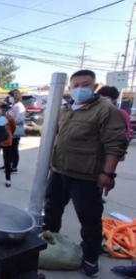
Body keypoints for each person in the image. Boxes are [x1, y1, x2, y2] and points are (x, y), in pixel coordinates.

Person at [43, 70, 128, 277]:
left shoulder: (105, 111)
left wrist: (108, 174)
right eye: (76, 86)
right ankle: (49, 243)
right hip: (59, 171)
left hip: (87, 176)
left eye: (85, 84)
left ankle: (90, 257)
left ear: (94, 86)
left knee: (89, 219)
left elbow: (115, 145)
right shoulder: (65, 110)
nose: (80, 89)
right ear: (70, 88)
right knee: (52, 210)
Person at [6, 89, 26, 173]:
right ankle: (8, 164)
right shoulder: (13, 105)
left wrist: (10, 120)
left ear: (15, 96)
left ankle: (14, 167)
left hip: (15, 130)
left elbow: (20, 119)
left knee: (14, 149)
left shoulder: (19, 106)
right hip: (10, 129)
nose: (9, 98)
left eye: (11, 96)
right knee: (9, 148)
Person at [0, 102, 16, 187]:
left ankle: (8, 180)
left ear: (4, 109)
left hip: (7, 141)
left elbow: (13, 128)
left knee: (7, 161)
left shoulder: (9, 118)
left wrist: (8, 135)